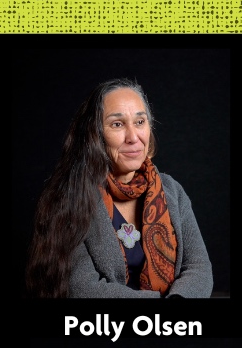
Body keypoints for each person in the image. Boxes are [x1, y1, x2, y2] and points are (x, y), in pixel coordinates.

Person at [26, 79, 213, 297]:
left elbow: (199, 268)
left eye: (140, 122)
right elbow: (83, 288)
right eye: (117, 124)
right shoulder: (69, 197)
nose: (133, 137)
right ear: (95, 135)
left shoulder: (172, 190)